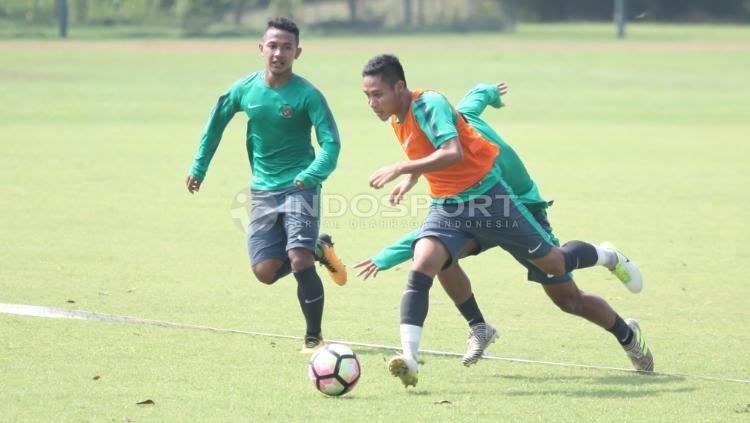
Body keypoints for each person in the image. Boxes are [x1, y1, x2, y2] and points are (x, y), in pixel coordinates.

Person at [360, 54, 652, 388]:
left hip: (497, 201)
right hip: (451, 207)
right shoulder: (401, 119)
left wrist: (401, 169)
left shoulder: (430, 104)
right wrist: (413, 176)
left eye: (377, 94)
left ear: (400, 87)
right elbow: (465, 111)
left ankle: (613, 279)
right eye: (367, 96)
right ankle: (413, 357)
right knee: (427, 260)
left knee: (564, 287)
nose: (371, 103)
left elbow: (452, 152)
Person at [186, 17, 346, 353]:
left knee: (298, 260)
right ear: (261, 49)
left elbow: (331, 144)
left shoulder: (307, 95)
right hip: (263, 190)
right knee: (265, 271)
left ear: (297, 52)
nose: (279, 53)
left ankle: (314, 338)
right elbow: (215, 125)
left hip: (302, 186)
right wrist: (199, 167)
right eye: (273, 46)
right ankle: (319, 248)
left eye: (287, 47)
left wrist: (312, 175)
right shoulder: (244, 90)